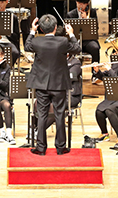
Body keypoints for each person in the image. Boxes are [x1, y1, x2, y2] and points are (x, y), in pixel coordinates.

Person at [25, 15, 81, 155]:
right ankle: (61, 147)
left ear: (41, 28)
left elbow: (27, 46)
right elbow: (77, 48)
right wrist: (71, 33)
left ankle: (41, 147)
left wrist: (32, 31)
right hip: (58, 84)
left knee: (42, 115)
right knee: (59, 114)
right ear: (56, 28)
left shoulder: (37, 41)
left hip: (42, 84)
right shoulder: (62, 41)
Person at [66, 0, 101, 68]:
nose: (81, 6)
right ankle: (72, 71)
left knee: (95, 48)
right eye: (79, 3)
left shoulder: (92, 12)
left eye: (83, 4)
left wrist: (87, 19)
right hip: (75, 40)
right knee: (68, 49)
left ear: (87, 4)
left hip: (88, 40)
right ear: (76, 2)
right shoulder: (70, 14)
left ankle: (95, 73)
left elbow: (96, 28)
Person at [0, 0, 21, 65]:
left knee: (15, 52)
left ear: (6, 2)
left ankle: (8, 69)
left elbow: (17, 36)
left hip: (8, 42)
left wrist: (7, 32)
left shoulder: (12, 17)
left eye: (2, 2)